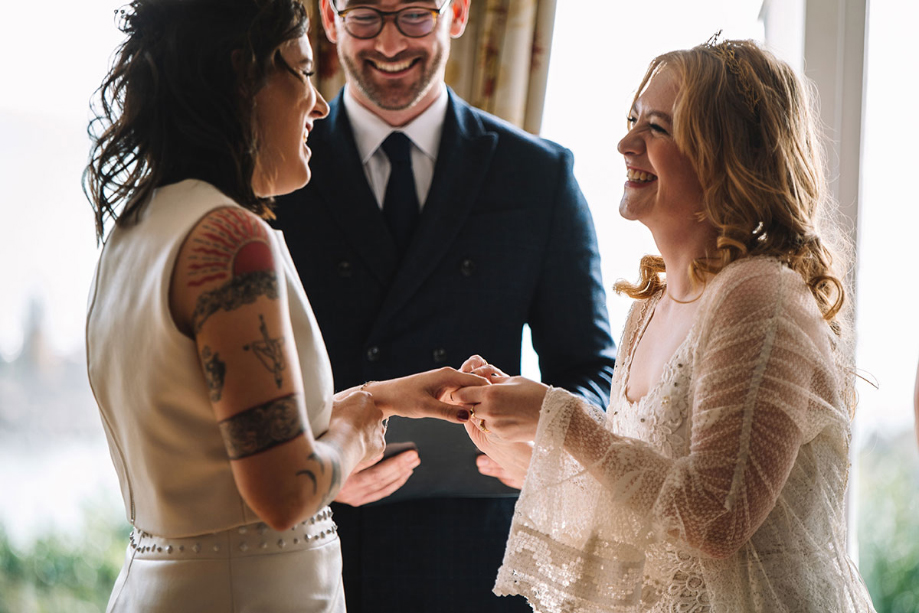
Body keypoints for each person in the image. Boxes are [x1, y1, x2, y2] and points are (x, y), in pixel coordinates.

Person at [452, 38, 877, 612]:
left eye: (657, 127)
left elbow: (715, 519)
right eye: (633, 120)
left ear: (727, 155)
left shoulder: (760, 294)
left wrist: (558, 418)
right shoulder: (646, 310)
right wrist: (535, 453)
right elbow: (646, 511)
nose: (625, 143)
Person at [83, 1, 484, 610]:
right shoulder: (229, 239)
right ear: (244, 76)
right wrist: (361, 418)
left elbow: (213, 444)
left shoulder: (136, 228)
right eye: (301, 72)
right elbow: (286, 493)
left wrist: (377, 395)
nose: (318, 105)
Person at [270, 1, 616, 611]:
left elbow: (592, 370)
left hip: (484, 562)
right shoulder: (278, 172)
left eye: (414, 16)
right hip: (325, 553)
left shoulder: (538, 176)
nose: (389, 42)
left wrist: (543, 453)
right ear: (329, 19)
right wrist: (318, 470)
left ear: (456, 13)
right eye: (365, 18)